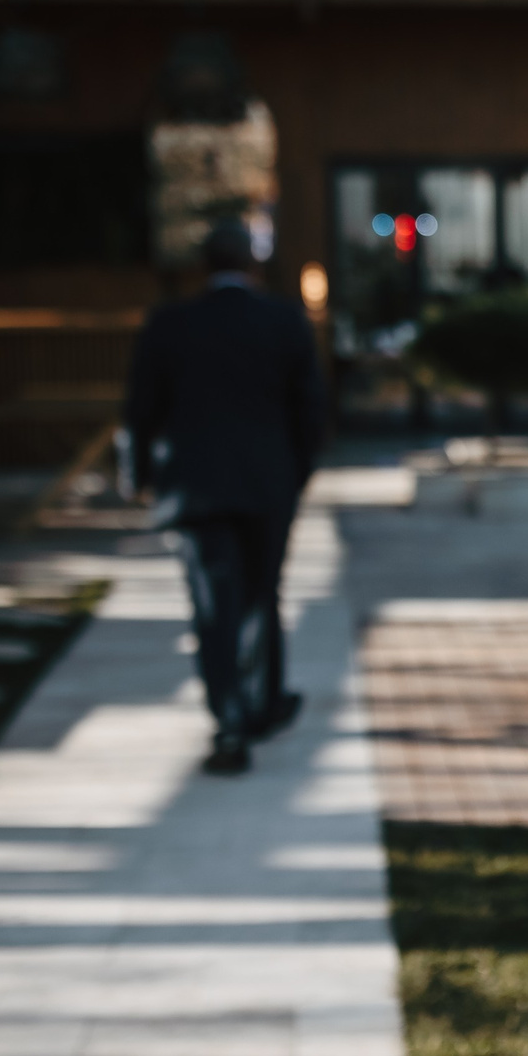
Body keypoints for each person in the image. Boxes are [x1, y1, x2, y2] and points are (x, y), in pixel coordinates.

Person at [123, 218, 326, 774]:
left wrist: (137, 477)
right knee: (262, 594)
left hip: (196, 486)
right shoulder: (284, 320)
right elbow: (310, 408)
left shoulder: (171, 323)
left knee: (215, 606)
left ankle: (231, 721)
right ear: (253, 266)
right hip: (267, 483)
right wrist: (298, 473)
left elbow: (141, 409)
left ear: (203, 267)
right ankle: (259, 706)